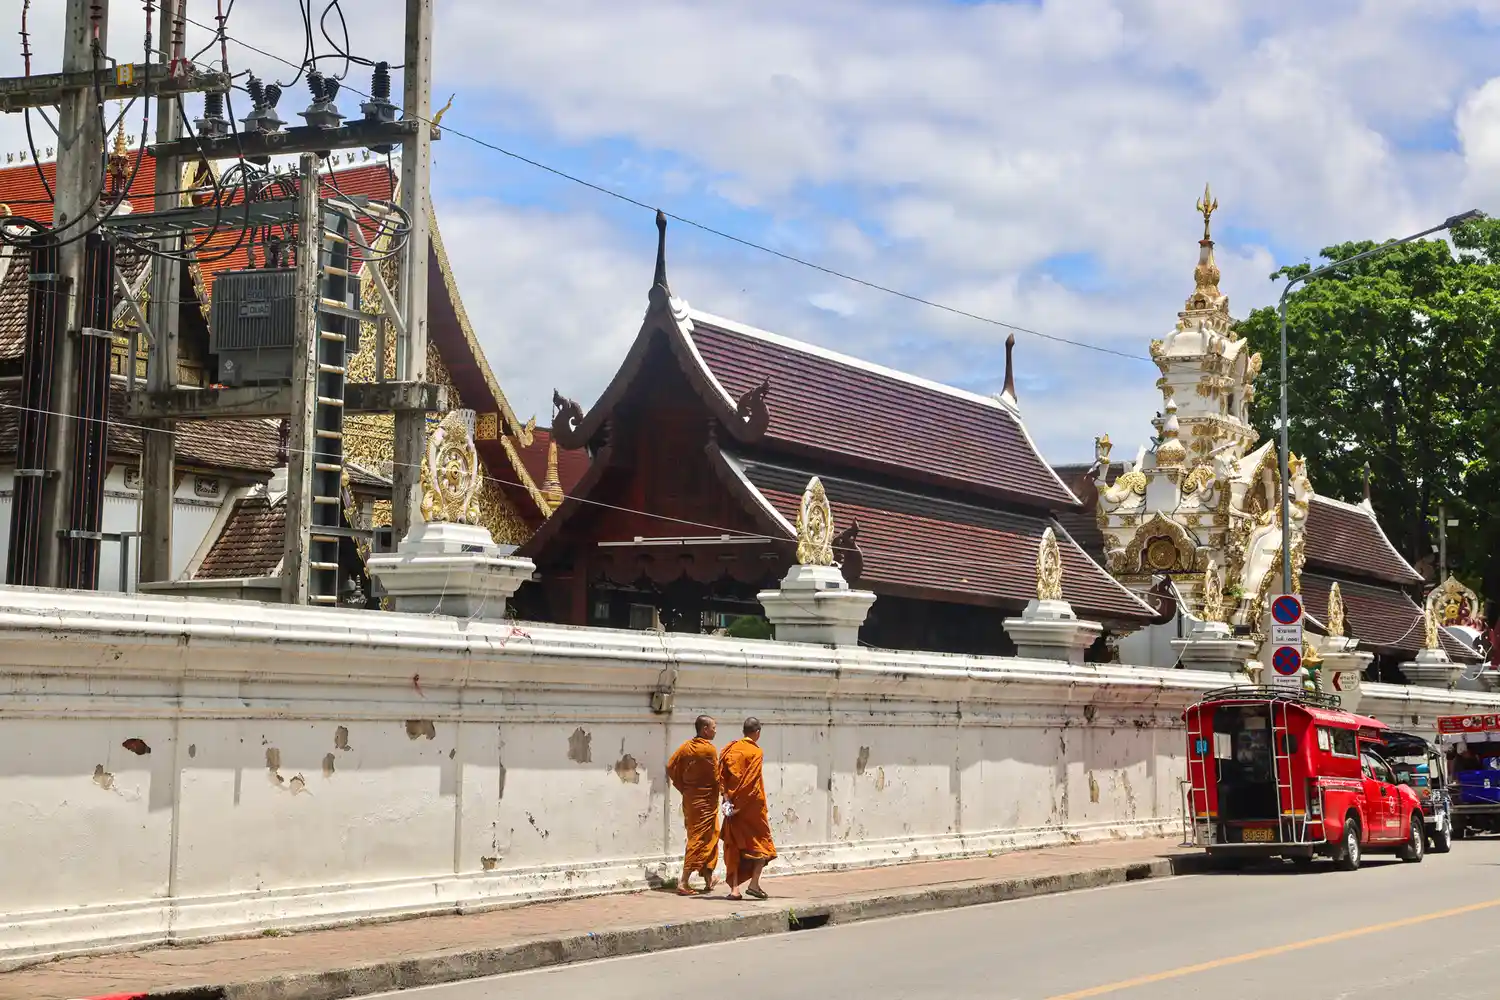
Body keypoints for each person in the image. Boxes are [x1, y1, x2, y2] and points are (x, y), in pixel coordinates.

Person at [718, 716, 777, 900]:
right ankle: (754, 884)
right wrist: (741, 806)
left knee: (734, 847)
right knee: (762, 845)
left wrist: (728, 801)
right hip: (752, 809)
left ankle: (734, 890)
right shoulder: (756, 752)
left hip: (732, 807)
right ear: (757, 732)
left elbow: (721, 778)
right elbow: (752, 785)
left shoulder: (729, 749)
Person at [666, 715, 720, 896]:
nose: (715, 730)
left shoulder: (685, 747)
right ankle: (683, 881)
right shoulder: (709, 750)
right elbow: (716, 777)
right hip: (705, 801)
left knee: (710, 835)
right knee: (698, 839)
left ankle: (708, 878)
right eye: (713, 727)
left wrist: (684, 787)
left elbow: (670, 766)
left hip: (691, 799)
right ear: (705, 729)